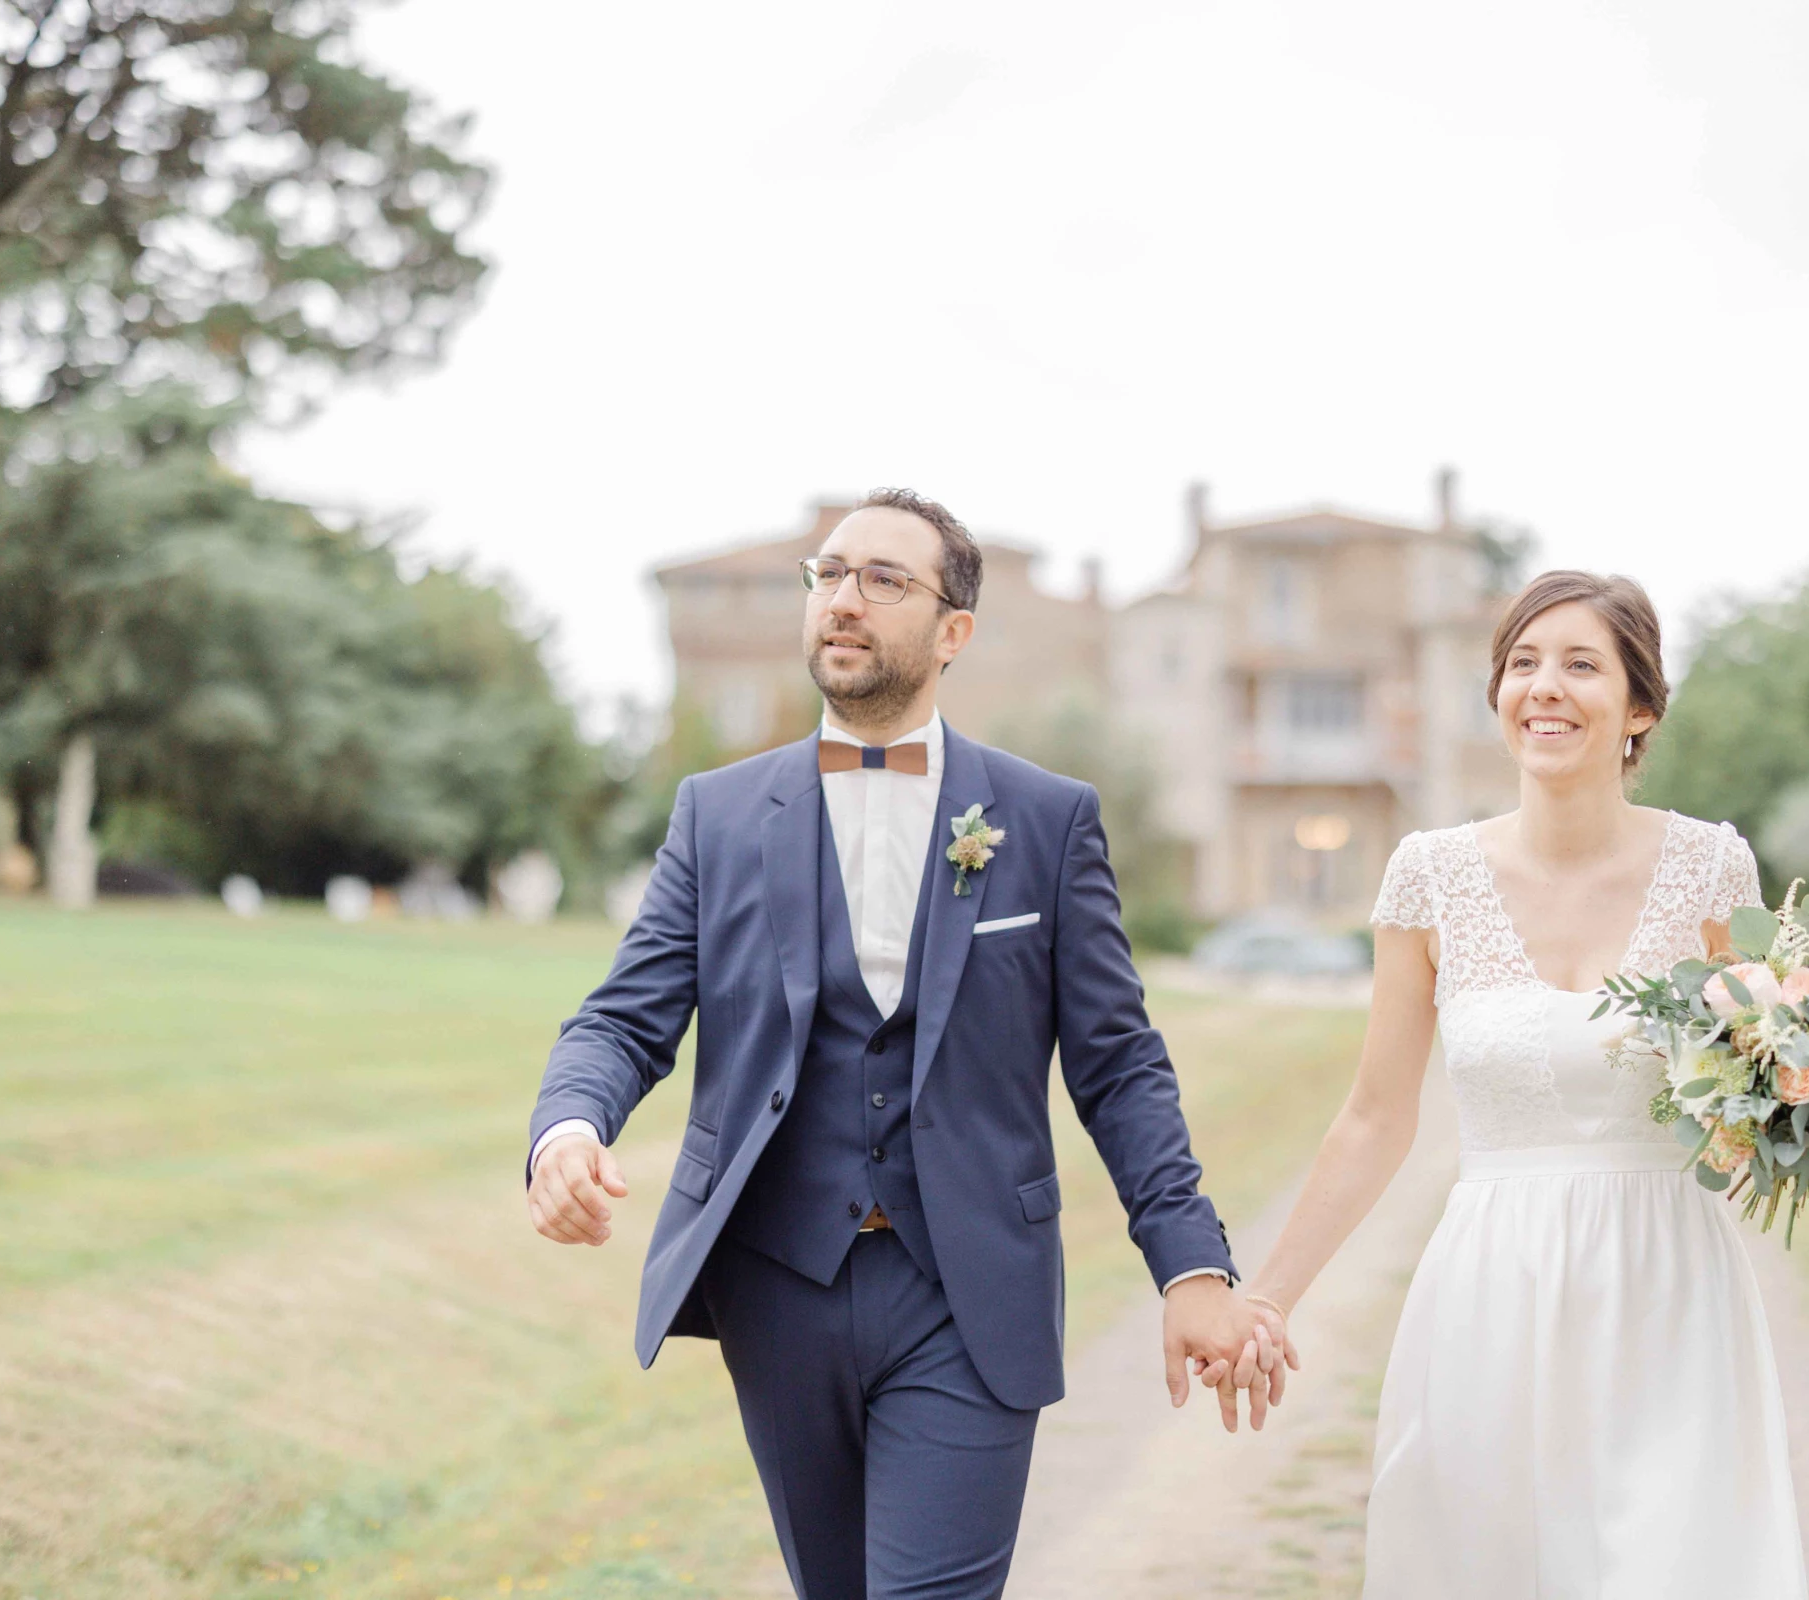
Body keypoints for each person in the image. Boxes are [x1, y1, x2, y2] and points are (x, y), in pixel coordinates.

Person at [522, 489, 1285, 1600]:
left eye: (884, 579)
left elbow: (1118, 1066)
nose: (845, 599)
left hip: (968, 1290)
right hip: (778, 1283)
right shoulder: (718, 814)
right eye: (829, 573)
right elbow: (624, 1016)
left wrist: (1194, 1265)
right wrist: (567, 1129)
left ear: (954, 629)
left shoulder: (1046, 817)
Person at [1241, 570, 1809, 1597]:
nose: (1544, 687)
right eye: (1522, 664)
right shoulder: (1428, 875)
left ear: (1639, 706)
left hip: (1668, 1289)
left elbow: (1757, 1089)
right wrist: (1267, 1296)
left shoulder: (1713, 869)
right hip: (1492, 1292)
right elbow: (1375, 1115)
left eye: (1581, 665)